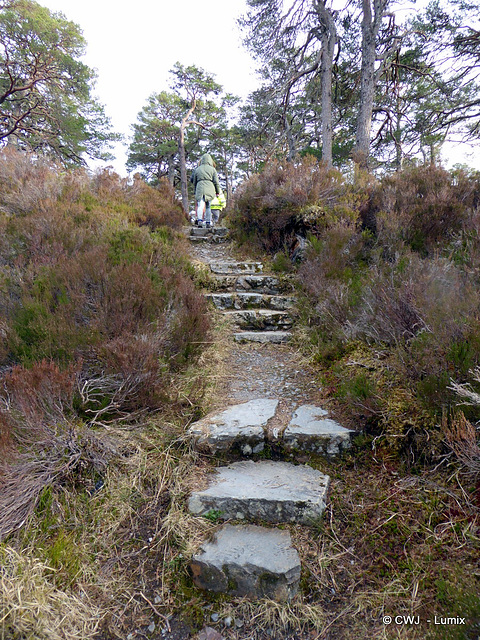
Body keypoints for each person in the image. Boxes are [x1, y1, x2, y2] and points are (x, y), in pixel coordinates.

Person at [190, 153, 221, 227]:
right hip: (210, 188)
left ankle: (199, 220)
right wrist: (217, 192)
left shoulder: (197, 169)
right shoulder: (213, 169)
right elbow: (216, 182)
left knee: (200, 205)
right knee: (208, 206)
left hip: (200, 188)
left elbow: (193, 180)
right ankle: (208, 222)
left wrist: (195, 190)